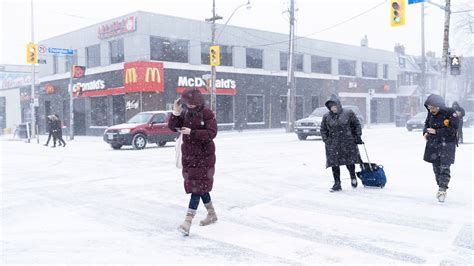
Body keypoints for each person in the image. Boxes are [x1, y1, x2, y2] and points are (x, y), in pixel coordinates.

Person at [168, 88, 218, 236]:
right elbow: (173, 127)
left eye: (191, 104)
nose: (188, 106)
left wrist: (192, 132)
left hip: (204, 157)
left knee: (196, 188)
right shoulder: (185, 112)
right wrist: (175, 112)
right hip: (189, 157)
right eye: (186, 103)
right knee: (200, 187)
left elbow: (212, 133)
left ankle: (187, 222)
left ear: (197, 102)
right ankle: (212, 214)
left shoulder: (206, 113)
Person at [320, 94, 363, 192]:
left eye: (334, 106)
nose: (333, 109)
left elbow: (356, 125)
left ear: (338, 105)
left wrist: (357, 136)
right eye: (331, 107)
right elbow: (323, 129)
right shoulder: (326, 116)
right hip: (333, 144)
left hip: (347, 142)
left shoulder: (348, 113)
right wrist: (326, 140)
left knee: (350, 161)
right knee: (334, 164)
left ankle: (353, 177)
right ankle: (337, 183)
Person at [423, 94, 459, 202]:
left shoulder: (450, 113)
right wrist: (425, 132)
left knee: (444, 167)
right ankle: (440, 186)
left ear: (439, 106)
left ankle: (442, 189)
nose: (431, 110)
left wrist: (437, 131)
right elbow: (426, 124)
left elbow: (453, 129)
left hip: (447, 144)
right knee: (436, 168)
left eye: (433, 107)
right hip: (433, 144)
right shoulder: (430, 114)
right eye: (429, 107)